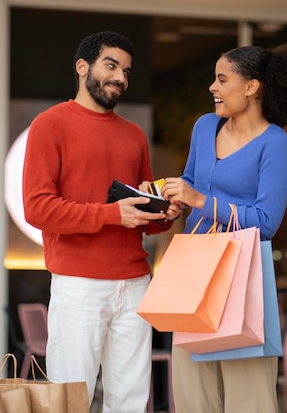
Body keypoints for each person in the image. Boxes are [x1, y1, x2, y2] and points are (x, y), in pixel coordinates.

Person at [21, 30, 181, 412]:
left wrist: (164, 215)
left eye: (126, 71)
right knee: (70, 399)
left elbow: (140, 214)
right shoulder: (50, 124)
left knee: (130, 400)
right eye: (111, 65)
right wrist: (112, 214)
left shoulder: (134, 136)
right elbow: (37, 208)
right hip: (79, 285)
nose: (120, 78)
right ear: (82, 67)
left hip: (136, 283)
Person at [159, 43, 287, 412]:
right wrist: (173, 202)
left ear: (251, 87)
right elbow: (192, 180)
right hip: (194, 272)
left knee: (249, 398)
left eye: (222, 79)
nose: (213, 87)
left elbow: (266, 221)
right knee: (193, 394)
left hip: (242, 278)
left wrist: (200, 201)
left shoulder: (275, 143)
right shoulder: (204, 126)